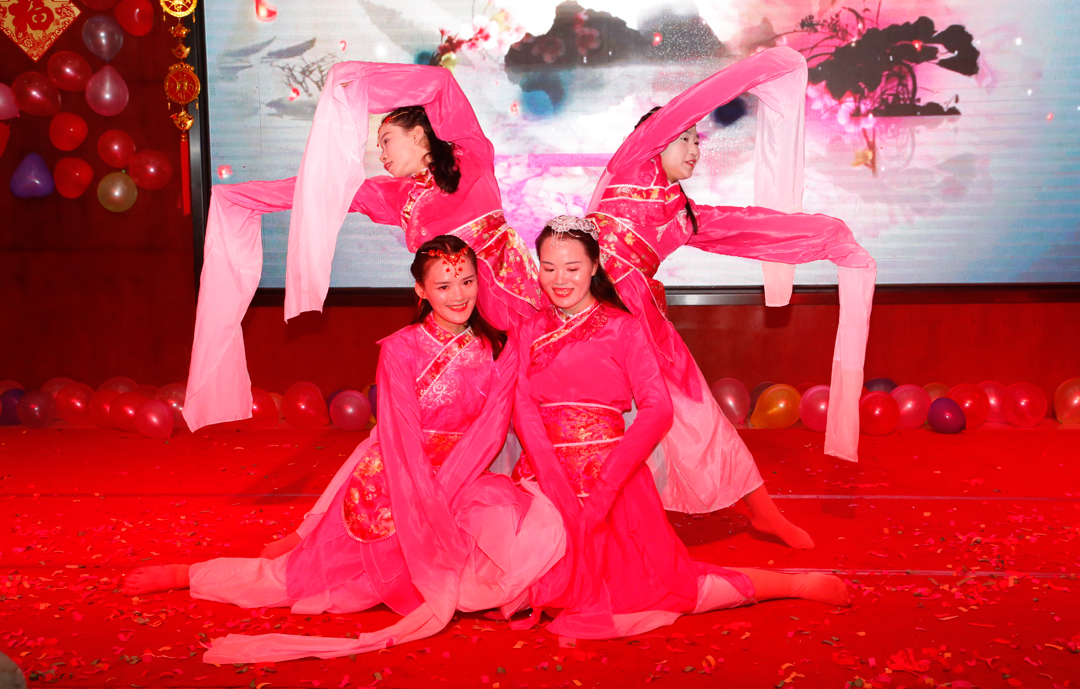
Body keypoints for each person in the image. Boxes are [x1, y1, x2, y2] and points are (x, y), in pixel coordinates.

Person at [123, 236, 564, 663]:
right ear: (421, 290)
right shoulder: (400, 349)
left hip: (464, 477)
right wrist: (425, 500)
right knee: (298, 582)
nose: (459, 295)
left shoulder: (496, 349)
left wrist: (445, 491)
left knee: (522, 525)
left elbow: (490, 430)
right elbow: (400, 432)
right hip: (395, 480)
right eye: (444, 285)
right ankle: (189, 574)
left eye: (466, 282)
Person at [583, 46, 878, 547]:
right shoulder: (633, 160)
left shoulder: (683, 214)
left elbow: (748, 228)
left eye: (698, 140)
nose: (694, 149)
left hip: (643, 323)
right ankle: (591, 520)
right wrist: (763, 68)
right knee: (579, 416)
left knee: (700, 418)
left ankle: (763, 513)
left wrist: (830, 237)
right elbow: (695, 102)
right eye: (684, 138)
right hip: (588, 313)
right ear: (653, 138)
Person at [510, 217, 850, 640]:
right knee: (519, 585)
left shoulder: (623, 328)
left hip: (611, 480)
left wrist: (606, 486)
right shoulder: (528, 329)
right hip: (542, 482)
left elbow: (657, 409)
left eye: (572, 267)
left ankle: (792, 585)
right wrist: (549, 474)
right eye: (548, 267)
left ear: (594, 266)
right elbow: (521, 404)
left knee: (660, 590)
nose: (559, 279)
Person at [184, 62, 544, 431]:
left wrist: (354, 86)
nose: (381, 154)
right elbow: (313, 188)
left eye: (386, 140)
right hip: (451, 309)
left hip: (507, 294)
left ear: (418, 134)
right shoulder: (394, 195)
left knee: (529, 393)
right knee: (463, 410)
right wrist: (238, 196)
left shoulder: (471, 156)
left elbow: (440, 83)